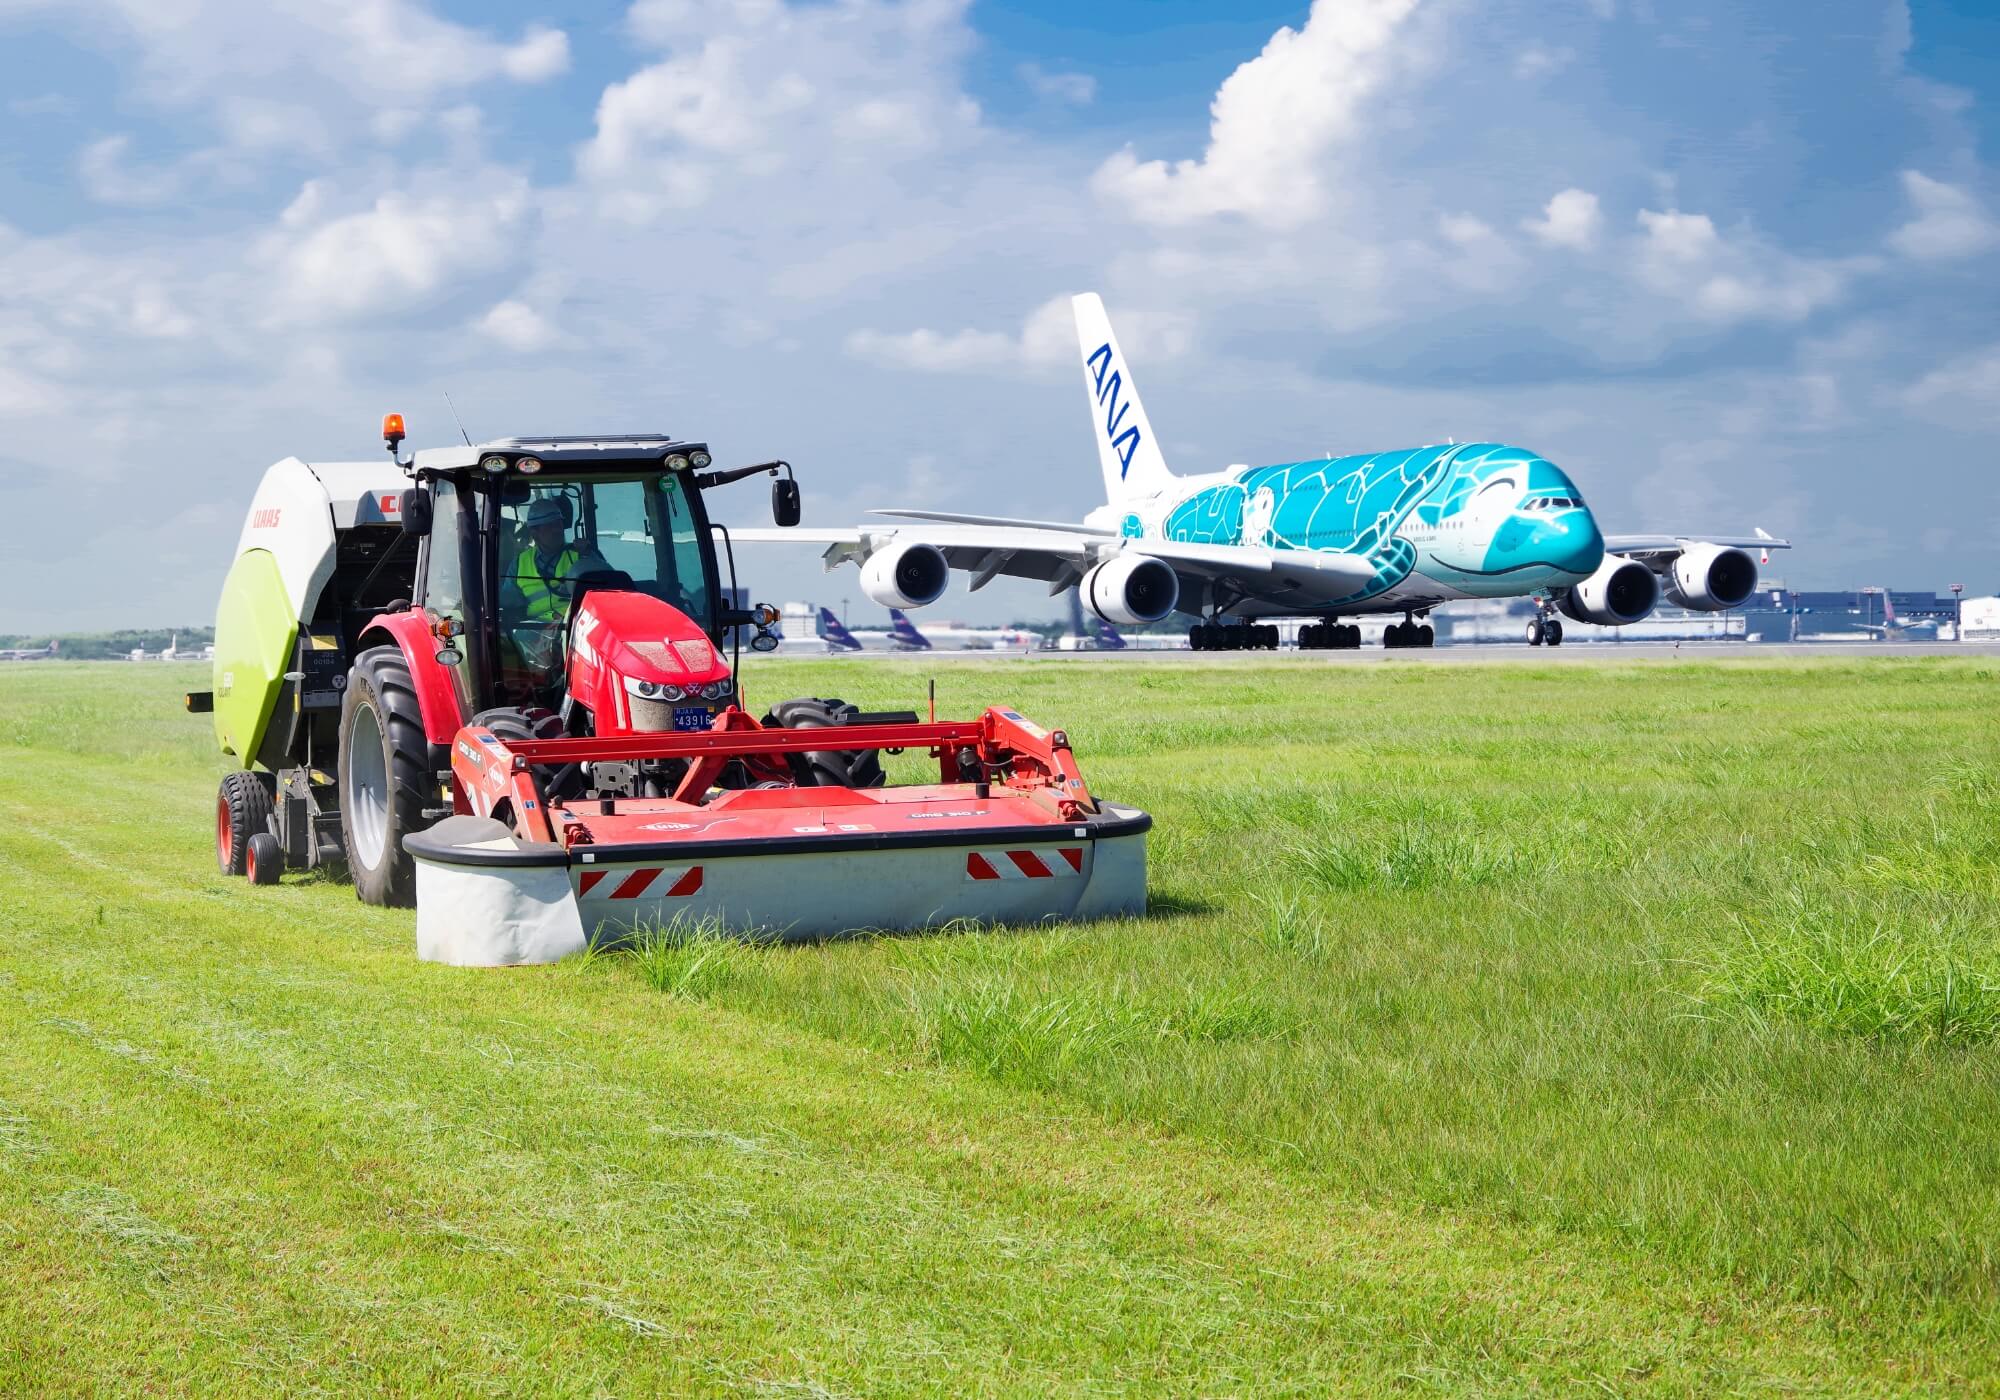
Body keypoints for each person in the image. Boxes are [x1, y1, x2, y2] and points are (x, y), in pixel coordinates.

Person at [509, 496, 606, 622]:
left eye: (559, 524)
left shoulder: (581, 555)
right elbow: (509, 605)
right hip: (533, 630)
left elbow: (606, 589)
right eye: (549, 526)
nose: (557, 530)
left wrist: (587, 556)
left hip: (574, 626)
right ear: (534, 532)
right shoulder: (518, 564)